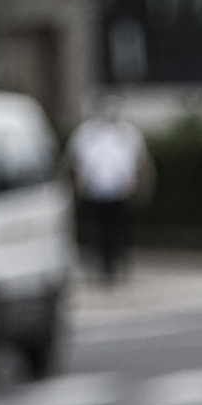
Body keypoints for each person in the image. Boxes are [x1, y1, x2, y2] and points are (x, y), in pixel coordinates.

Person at [69, 99, 152, 289]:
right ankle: (102, 267)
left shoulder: (127, 132)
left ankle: (116, 264)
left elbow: (140, 161)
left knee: (118, 230)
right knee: (99, 231)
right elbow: (77, 162)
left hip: (119, 191)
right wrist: (80, 184)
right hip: (95, 192)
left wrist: (138, 185)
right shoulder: (86, 133)